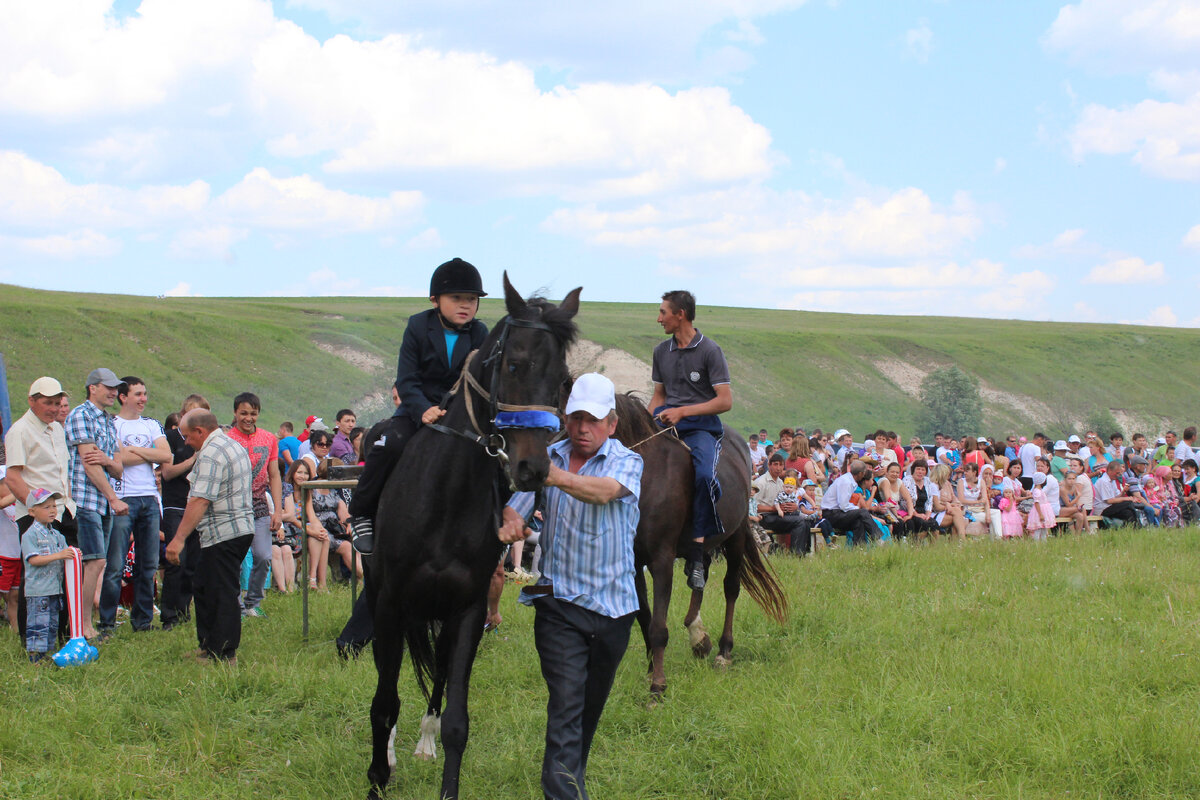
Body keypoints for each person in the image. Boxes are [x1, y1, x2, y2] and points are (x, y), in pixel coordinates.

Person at [498, 373, 643, 800]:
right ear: (565, 416)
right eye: (576, 417)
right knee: (565, 706)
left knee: (586, 714)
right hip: (558, 606)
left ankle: (569, 781)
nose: (583, 428)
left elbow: (602, 493)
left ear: (612, 424)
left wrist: (553, 476)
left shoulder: (627, 461)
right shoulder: (548, 455)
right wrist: (510, 519)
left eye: (593, 420)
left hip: (614, 610)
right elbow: (517, 505)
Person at [348, 258, 490, 555]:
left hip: (461, 413)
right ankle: (361, 514)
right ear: (435, 300)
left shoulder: (480, 333)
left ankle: (499, 522)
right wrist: (423, 409)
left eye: (472, 299)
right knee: (389, 446)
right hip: (417, 409)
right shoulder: (417, 325)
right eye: (457, 298)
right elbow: (407, 379)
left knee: (493, 455)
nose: (465, 305)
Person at [650, 289, 733, 590]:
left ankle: (697, 555)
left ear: (680, 314)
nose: (658, 318)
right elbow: (658, 396)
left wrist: (683, 412)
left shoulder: (710, 351)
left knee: (702, 477)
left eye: (663, 312)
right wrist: (646, 424)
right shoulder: (661, 351)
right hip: (667, 426)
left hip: (701, 429)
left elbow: (724, 401)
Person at [164, 409, 255, 665]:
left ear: (200, 432)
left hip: (224, 532)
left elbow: (200, 499)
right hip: (233, 529)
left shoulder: (212, 453)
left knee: (221, 591)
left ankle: (225, 653)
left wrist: (178, 539)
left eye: (187, 436)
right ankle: (208, 645)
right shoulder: (231, 444)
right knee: (203, 586)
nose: (185, 442)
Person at [100, 376, 169, 635]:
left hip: (150, 499)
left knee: (148, 564)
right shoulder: (111, 424)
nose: (143, 399)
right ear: (123, 396)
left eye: (145, 393)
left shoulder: (152, 424)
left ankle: (142, 622)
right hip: (123, 497)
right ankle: (106, 623)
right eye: (138, 394)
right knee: (115, 565)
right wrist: (146, 453)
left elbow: (166, 455)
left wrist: (133, 451)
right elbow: (117, 459)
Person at [64, 368, 128, 641]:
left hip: (101, 502)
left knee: (95, 563)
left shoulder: (107, 421)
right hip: (84, 499)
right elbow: (90, 466)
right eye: (108, 387)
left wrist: (106, 460)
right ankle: (82, 625)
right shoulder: (80, 415)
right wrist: (113, 497)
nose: (114, 392)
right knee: (94, 561)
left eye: (116, 388)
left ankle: (81, 623)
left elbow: (118, 467)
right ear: (92, 388)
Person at [225, 392, 282, 620]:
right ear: (235, 413)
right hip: (234, 506)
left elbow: (275, 475)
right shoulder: (227, 438)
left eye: (253, 414)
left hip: (259, 505)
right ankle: (235, 604)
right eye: (244, 413)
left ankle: (254, 602)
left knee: (263, 555)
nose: (248, 418)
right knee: (235, 560)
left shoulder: (269, 439)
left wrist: (277, 510)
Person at [21, 488, 91, 665]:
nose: (52, 510)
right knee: (39, 625)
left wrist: (74, 554)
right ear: (32, 512)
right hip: (38, 591)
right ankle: (36, 659)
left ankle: (50, 655)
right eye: (46, 507)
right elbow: (34, 560)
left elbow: (66, 554)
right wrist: (61, 555)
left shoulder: (57, 535)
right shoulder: (30, 535)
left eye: (54, 506)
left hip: (55, 589)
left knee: (53, 624)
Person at [160, 394, 210, 631]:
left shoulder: (207, 442)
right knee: (175, 561)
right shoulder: (170, 437)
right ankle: (168, 615)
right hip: (176, 504)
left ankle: (183, 611)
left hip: (198, 506)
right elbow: (167, 473)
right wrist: (194, 459)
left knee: (194, 563)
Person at [752, 454, 810, 555]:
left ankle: (804, 551)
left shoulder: (780, 482)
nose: (778, 468)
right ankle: (797, 554)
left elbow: (787, 500)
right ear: (769, 465)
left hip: (777, 515)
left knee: (806, 521)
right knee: (799, 521)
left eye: (781, 465)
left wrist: (794, 507)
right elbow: (752, 507)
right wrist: (772, 509)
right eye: (775, 464)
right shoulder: (761, 482)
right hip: (763, 517)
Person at [821, 461, 876, 546]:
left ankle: (859, 549)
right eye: (864, 473)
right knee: (863, 512)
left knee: (859, 521)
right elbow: (843, 506)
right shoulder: (846, 482)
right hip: (831, 514)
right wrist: (857, 509)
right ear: (861, 473)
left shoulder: (849, 480)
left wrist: (856, 510)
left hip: (837, 513)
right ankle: (877, 537)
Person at [1093, 460, 1138, 527]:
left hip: (1110, 506)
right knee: (1128, 503)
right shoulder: (1103, 481)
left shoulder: (1112, 481)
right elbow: (1109, 500)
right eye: (1117, 473)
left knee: (1128, 513)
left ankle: (1133, 529)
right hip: (1103, 509)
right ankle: (1138, 526)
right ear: (1110, 471)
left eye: (1119, 474)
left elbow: (1117, 497)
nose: (1118, 476)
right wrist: (1127, 499)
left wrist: (1123, 492)